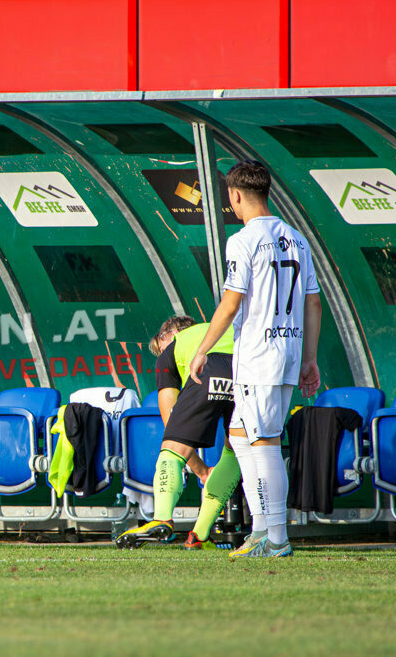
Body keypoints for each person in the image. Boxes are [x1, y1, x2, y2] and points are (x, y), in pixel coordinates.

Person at [188, 160, 321, 559]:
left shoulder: (243, 240)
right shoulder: (297, 238)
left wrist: (203, 347)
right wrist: (309, 359)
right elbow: (313, 302)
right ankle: (261, 529)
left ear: (235, 196)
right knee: (242, 438)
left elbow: (231, 303)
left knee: (263, 443)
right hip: (287, 352)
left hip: (259, 357)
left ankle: (277, 537)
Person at [116, 315, 240, 550]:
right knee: (235, 450)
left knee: (171, 450)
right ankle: (199, 536)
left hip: (208, 368)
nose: (161, 351)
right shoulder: (225, 328)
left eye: (161, 344)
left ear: (171, 334)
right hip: (247, 369)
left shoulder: (175, 346)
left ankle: (161, 518)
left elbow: (168, 416)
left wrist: (199, 469)